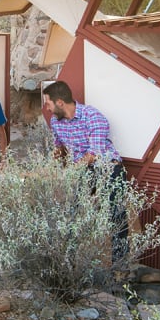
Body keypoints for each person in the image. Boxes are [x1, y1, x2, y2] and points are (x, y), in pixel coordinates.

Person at [41, 80, 129, 263]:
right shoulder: (56, 122)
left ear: (59, 102)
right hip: (82, 170)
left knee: (116, 215)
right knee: (70, 211)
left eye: (47, 103)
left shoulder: (93, 116)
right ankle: (68, 262)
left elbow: (94, 154)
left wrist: (70, 171)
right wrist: (50, 165)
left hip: (107, 167)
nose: (46, 108)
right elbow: (60, 148)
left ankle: (120, 266)